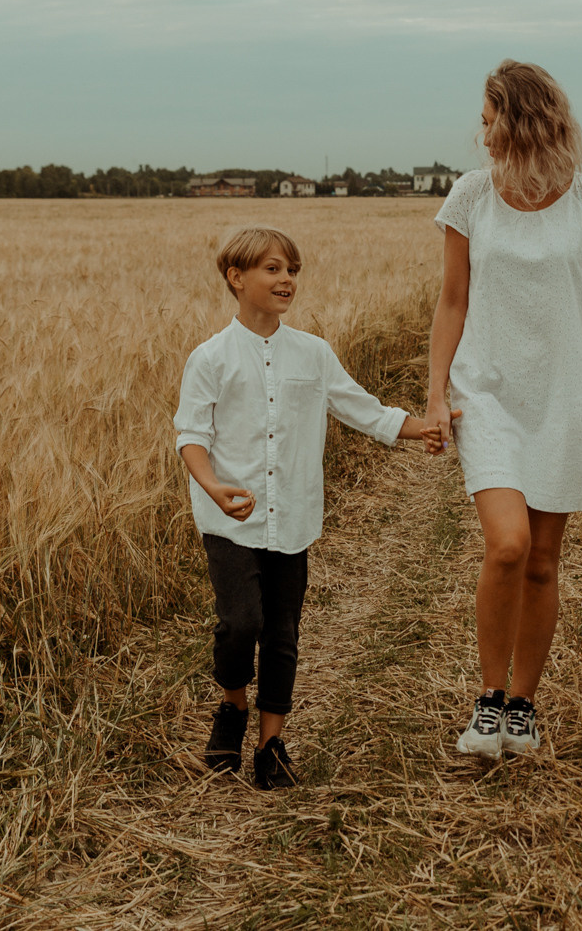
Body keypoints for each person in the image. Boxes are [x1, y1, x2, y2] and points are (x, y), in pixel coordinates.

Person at [427, 60, 582, 759]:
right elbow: (453, 300)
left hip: (562, 394)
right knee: (509, 544)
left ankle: (524, 704)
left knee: (544, 560)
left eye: (490, 113)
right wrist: (435, 394)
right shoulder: (469, 196)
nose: (481, 127)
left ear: (520, 116)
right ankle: (488, 700)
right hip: (485, 390)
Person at [175, 226, 442, 788]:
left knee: (283, 632)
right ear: (237, 278)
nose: (286, 280)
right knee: (238, 623)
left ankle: (271, 745)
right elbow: (191, 436)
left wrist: (421, 429)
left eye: (292, 270)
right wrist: (214, 486)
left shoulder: (313, 353)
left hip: (293, 516)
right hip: (230, 519)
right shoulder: (210, 358)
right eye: (273, 269)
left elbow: (359, 408)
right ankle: (232, 707)